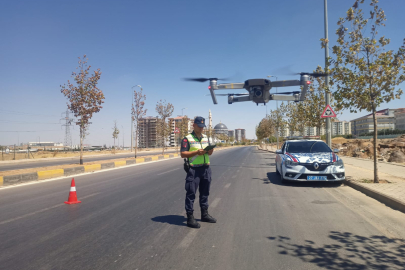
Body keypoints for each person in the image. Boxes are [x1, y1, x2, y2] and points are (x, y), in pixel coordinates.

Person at [180, 116, 216, 229]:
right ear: (194, 125)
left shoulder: (206, 138)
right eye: (199, 126)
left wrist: (210, 151)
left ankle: (204, 214)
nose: (201, 129)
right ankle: (190, 217)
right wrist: (196, 152)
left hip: (206, 169)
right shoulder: (187, 138)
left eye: (202, 127)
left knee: (205, 193)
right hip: (194, 170)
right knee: (191, 193)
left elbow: (209, 154)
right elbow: (183, 154)